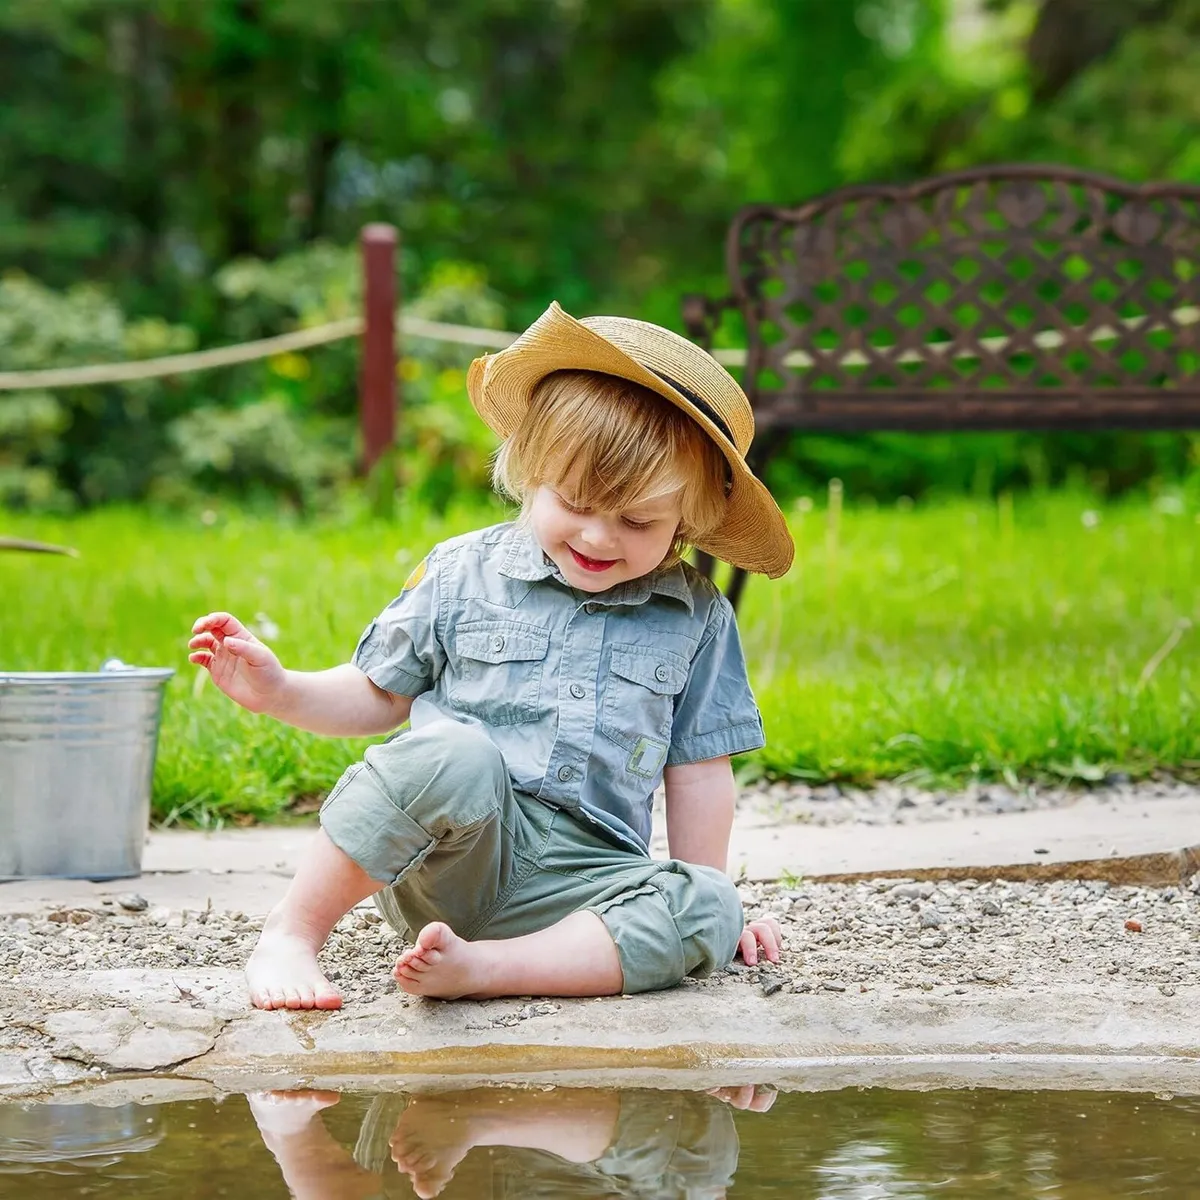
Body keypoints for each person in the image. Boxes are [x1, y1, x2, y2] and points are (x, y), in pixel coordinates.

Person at [188, 302, 795, 1012]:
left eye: (637, 521)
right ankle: (292, 932)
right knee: (455, 753)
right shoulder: (462, 573)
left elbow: (699, 772)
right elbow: (380, 694)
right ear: (531, 471)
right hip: (454, 860)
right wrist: (281, 691)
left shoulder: (695, 617)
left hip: (587, 884)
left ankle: (486, 968)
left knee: (711, 904)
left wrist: (702, 887)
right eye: (576, 503)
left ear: (686, 520)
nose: (599, 538)